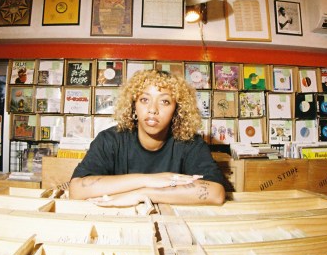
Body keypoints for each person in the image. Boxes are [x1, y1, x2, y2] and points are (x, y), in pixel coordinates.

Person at [69, 70, 226, 207]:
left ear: (177, 110)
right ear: (133, 105)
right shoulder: (110, 140)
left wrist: (143, 193)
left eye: (164, 101)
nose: (152, 109)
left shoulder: (190, 143)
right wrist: (149, 180)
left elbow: (216, 193)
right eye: (144, 99)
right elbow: (76, 190)